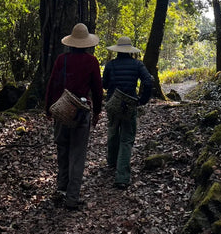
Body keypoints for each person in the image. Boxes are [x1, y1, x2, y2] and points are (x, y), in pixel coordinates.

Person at [45, 23, 102, 210]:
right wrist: (97, 112)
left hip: (62, 110)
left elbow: (53, 83)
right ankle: (71, 197)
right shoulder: (92, 61)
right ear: (86, 44)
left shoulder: (62, 59)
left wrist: (48, 108)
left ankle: (61, 189)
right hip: (81, 112)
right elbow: (97, 89)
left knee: (62, 150)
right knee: (77, 155)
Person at [103, 36, 153, 189]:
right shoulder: (137, 64)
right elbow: (148, 81)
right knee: (126, 138)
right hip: (129, 104)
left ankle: (112, 162)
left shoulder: (110, 65)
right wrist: (142, 100)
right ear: (130, 51)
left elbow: (104, 84)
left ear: (118, 50)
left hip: (113, 103)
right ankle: (122, 177)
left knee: (112, 132)